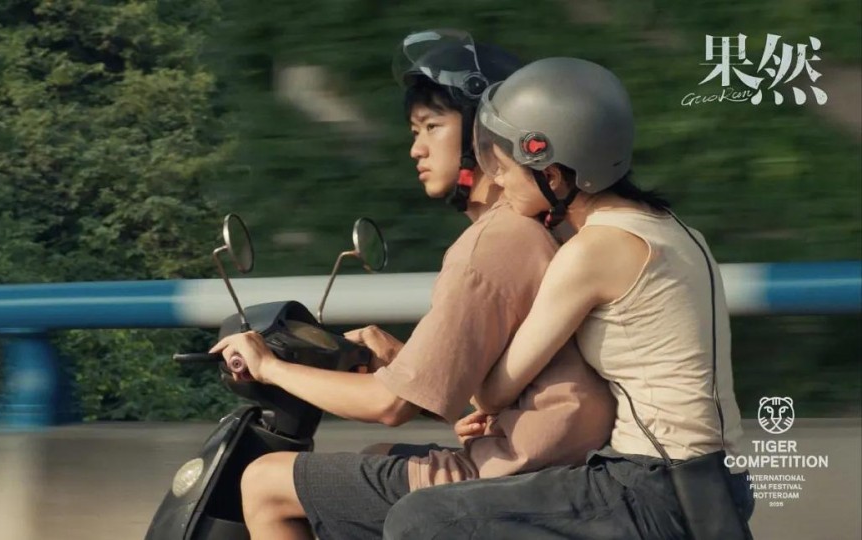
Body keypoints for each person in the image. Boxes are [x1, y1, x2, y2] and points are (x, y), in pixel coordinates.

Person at [209, 34, 615, 540]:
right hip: (551, 462)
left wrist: (270, 367)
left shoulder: (494, 242)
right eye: (415, 130)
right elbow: (485, 375)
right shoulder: (532, 228)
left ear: (482, 133)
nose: (416, 148)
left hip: (517, 477)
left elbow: (388, 406)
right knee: (378, 458)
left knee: (264, 483)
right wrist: (401, 357)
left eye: (432, 127)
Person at [382, 57, 755, 539]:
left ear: (553, 175)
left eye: (506, 168)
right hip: (720, 481)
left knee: (421, 517)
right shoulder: (677, 231)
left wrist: (405, 360)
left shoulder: (590, 252)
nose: (499, 182)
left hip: (656, 488)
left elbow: (492, 391)